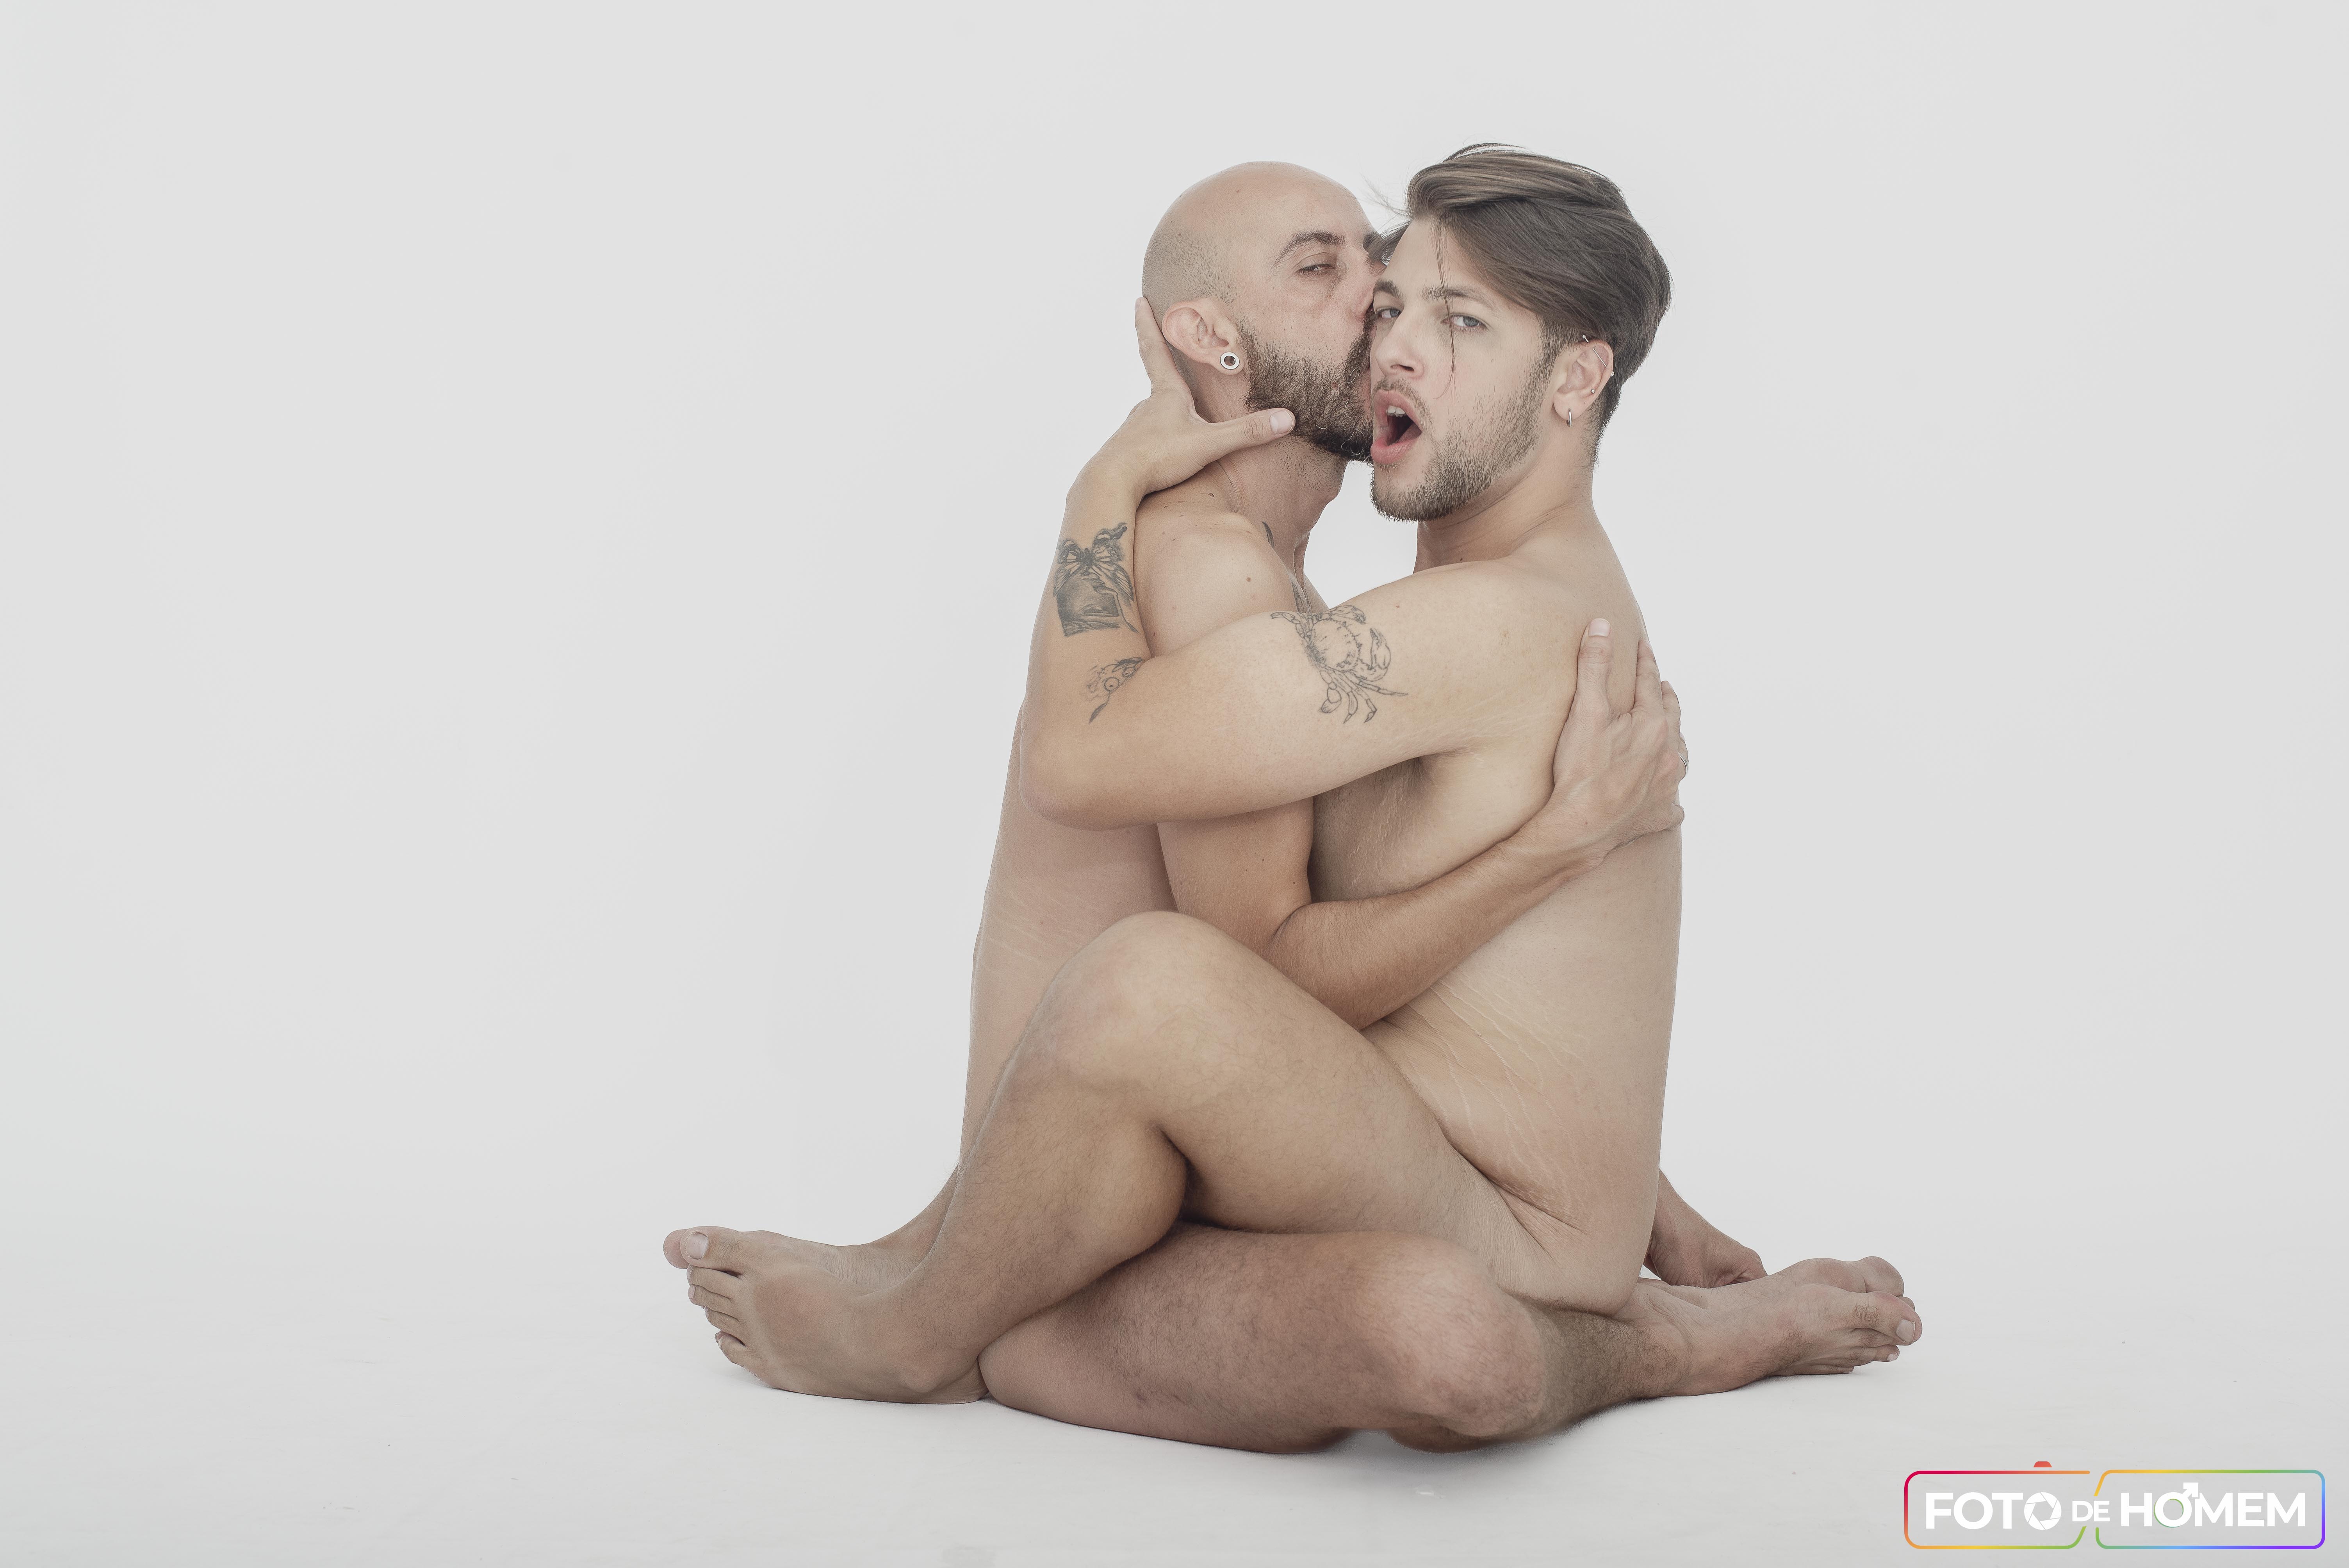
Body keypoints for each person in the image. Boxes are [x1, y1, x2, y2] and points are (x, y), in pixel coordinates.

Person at [668, 149, 1919, 1450]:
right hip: (1445, 1182)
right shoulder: (1475, 600)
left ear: (1576, 379)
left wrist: (1102, 485)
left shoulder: (1488, 621)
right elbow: (1487, 1005)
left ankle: (929, 1322)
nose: (1394, 345)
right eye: (1393, 305)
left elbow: (1087, 767)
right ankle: (964, 1261)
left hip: (1496, 1228)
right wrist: (1647, 1184)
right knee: (1218, 1018)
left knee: (1153, 990)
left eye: (1460, 322)